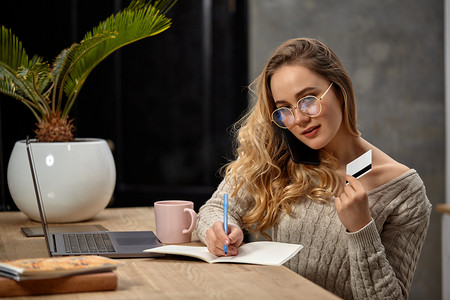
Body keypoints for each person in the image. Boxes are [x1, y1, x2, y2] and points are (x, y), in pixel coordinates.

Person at [195, 38, 431, 299]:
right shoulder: (280, 154)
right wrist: (219, 229)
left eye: (308, 99)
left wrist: (361, 228)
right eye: (284, 109)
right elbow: (215, 208)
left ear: (340, 90)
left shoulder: (405, 192)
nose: (298, 119)